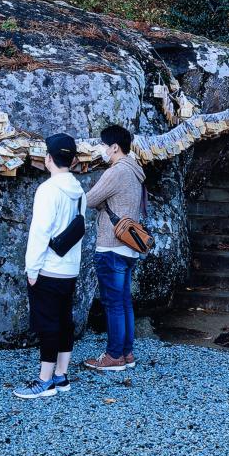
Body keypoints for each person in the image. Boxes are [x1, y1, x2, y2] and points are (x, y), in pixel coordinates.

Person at [13, 132, 87, 399]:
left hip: (48, 268)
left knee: (47, 323)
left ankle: (45, 381)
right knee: (64, 321)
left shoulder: (47, 190)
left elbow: (40, 233)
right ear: (73, 159)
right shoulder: (79, 192)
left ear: (48, 158)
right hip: (70, 269)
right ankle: (61, 375)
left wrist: (31, 269)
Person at [82, 124, 145, 372]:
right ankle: (126, 353)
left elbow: (89, 200)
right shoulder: (135, 171)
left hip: (111, 246)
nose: (102, 150)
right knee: (125, 302)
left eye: (104, 146)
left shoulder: (116, 172)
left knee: (113, 304)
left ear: (115, 147)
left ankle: (114, 356)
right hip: (129, 247)